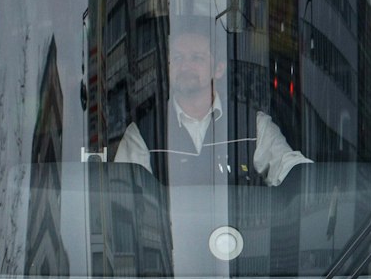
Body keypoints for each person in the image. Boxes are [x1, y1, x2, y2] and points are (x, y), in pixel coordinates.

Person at [112, 22, 309, 186]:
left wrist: (315, 180)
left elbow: (291, 169)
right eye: (178, 58)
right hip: (171, 234)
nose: (185, 66)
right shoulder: (141, 135)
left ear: (219, 69)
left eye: (196, 58)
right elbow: (123, 196)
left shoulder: (253, 126)